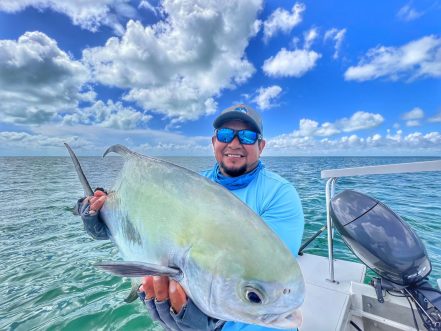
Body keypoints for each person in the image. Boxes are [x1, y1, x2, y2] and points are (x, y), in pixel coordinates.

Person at [76, 104, 305, 331]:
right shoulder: (187, 186)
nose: (234, 143)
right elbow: (144, 233)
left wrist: (211, 325)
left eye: (246, 136)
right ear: (214, 141)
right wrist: (100, 219)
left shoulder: (279, 193)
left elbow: (267, 272)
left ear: (261, 145)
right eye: (225, 134)